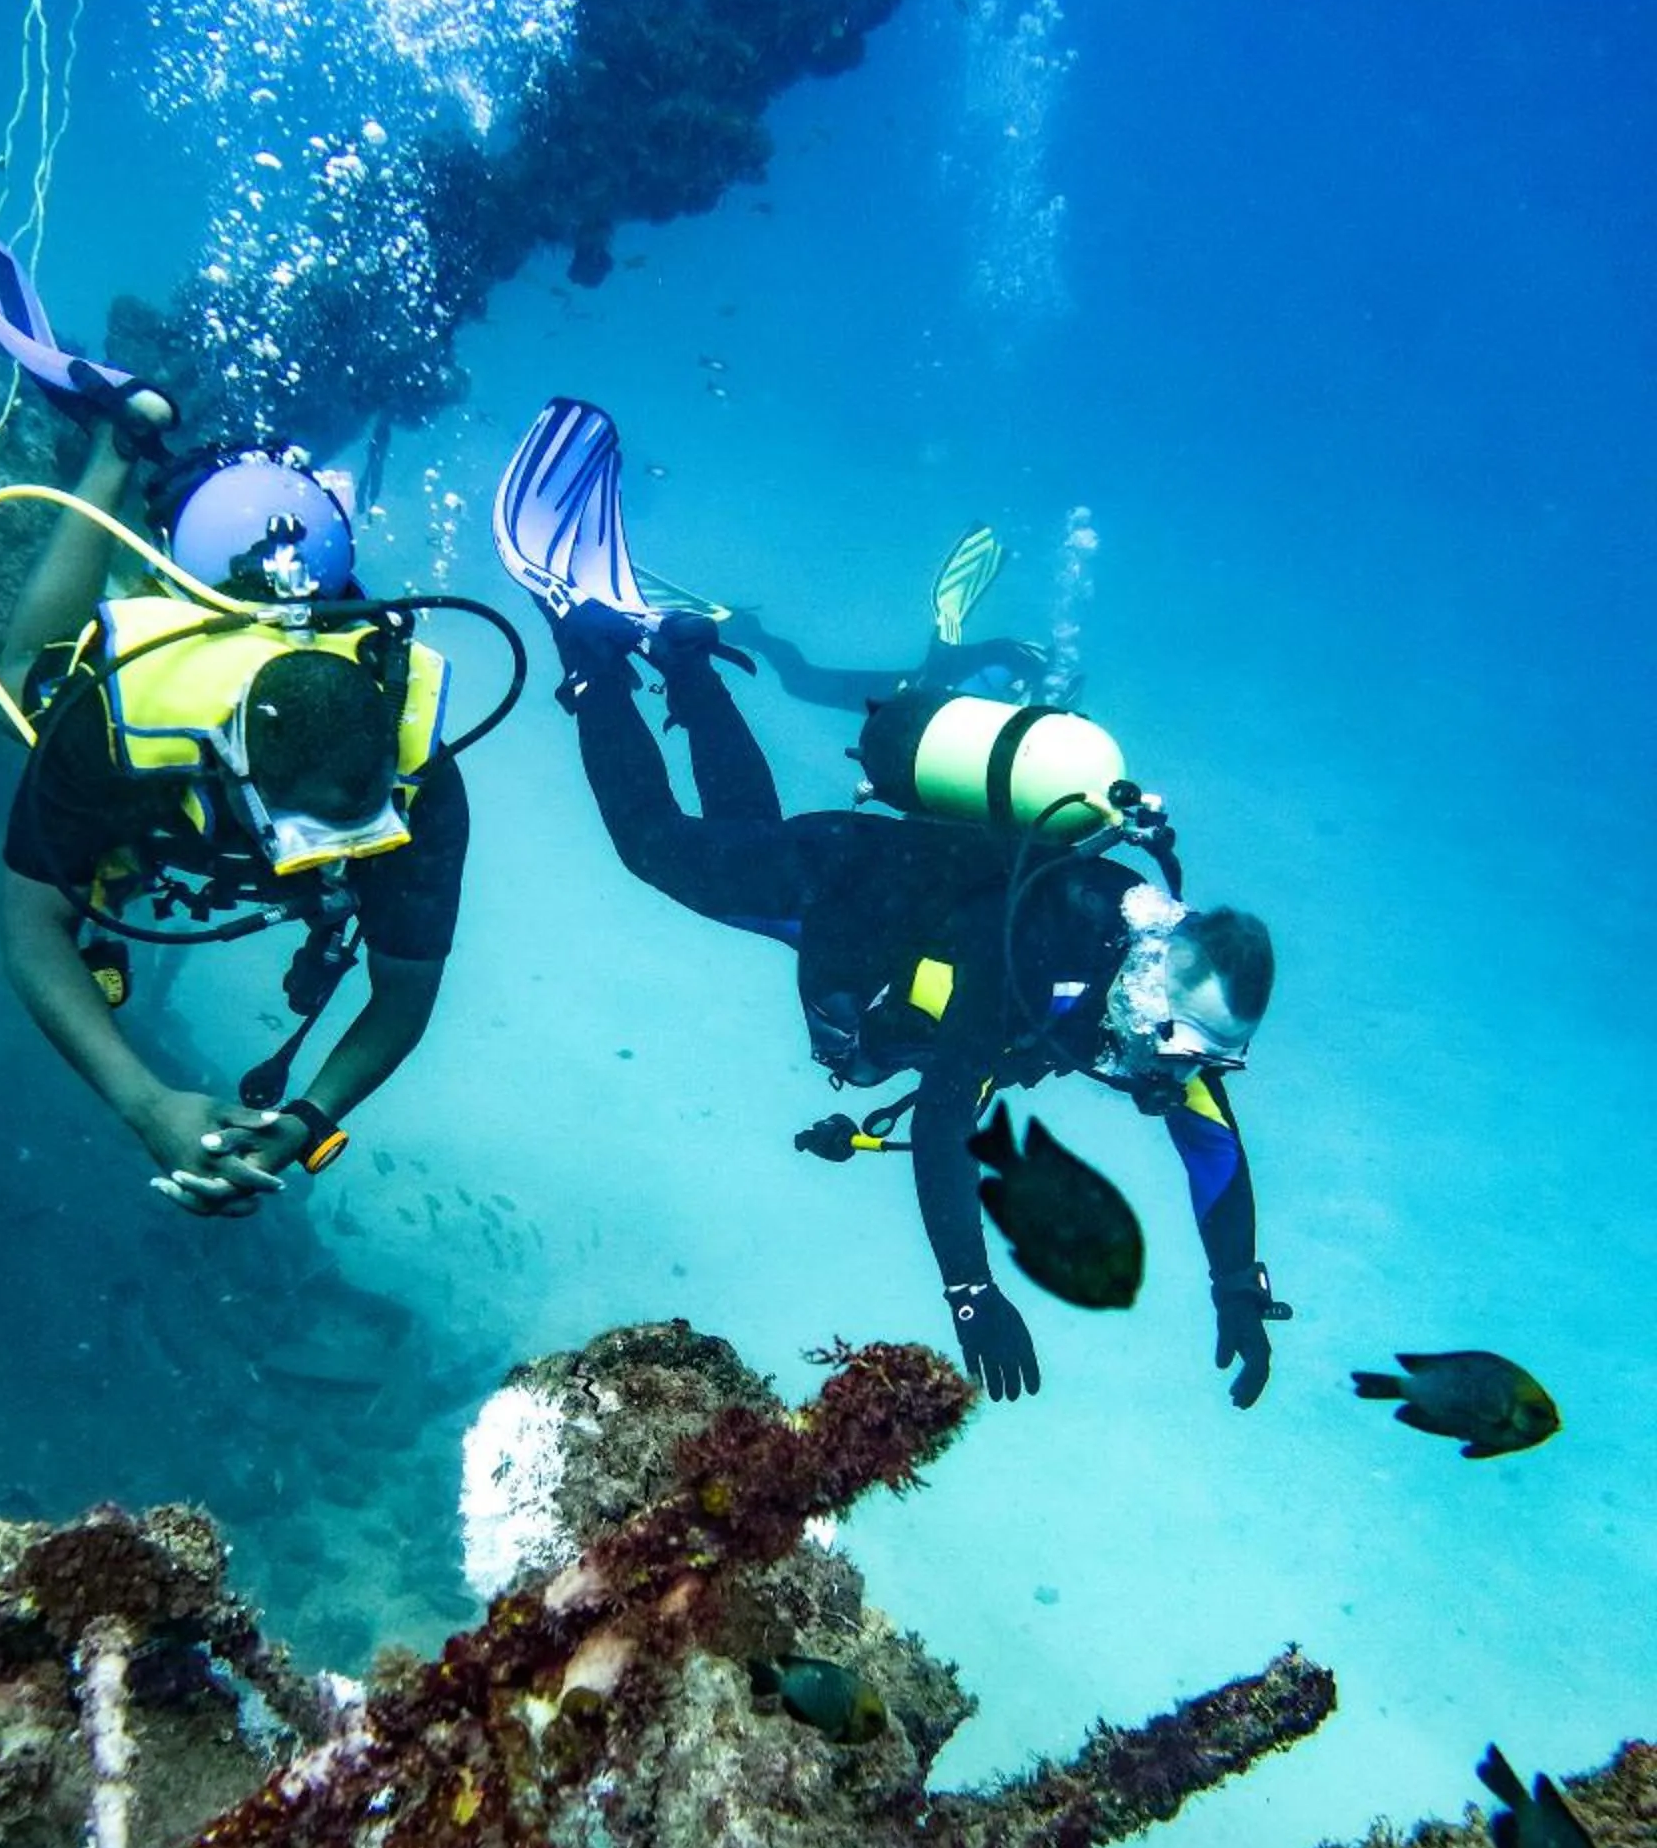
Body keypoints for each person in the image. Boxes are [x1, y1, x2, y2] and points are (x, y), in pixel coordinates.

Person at [493, 397, 1288, 1406]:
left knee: (739, 831)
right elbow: (952, 1110)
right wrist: (969, 1293)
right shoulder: (1035, 958)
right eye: (1179, 1047)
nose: (1176, 1073)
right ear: (1152, 995)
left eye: (1201, 1058)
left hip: (872, 910)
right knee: (660, 853)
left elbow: (1211, 1143)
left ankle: (683, 657)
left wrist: (1234, 1288)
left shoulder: (1151, 990)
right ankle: (589, 656)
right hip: (848, 888)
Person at [0, 393, 470, 1218]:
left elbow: (405, 992)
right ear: (229, 770)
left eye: (356, 840)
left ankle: (280, 492)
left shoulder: (424, 787)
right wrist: (144, 1103)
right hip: (207, 566)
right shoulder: (115, 729)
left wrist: (311, 1115)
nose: (331, 864)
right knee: (12, 686)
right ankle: (119, 444)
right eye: (310, 841)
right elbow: (31, 927)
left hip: (307, 591)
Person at [721, 520, 1061, 714]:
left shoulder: (1023, 695)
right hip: (913, 700)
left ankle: (750, 633)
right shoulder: (1015, 683)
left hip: (917, 707)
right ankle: (749, 631)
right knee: (802, 683)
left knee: (802, 682)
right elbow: (945, 657)